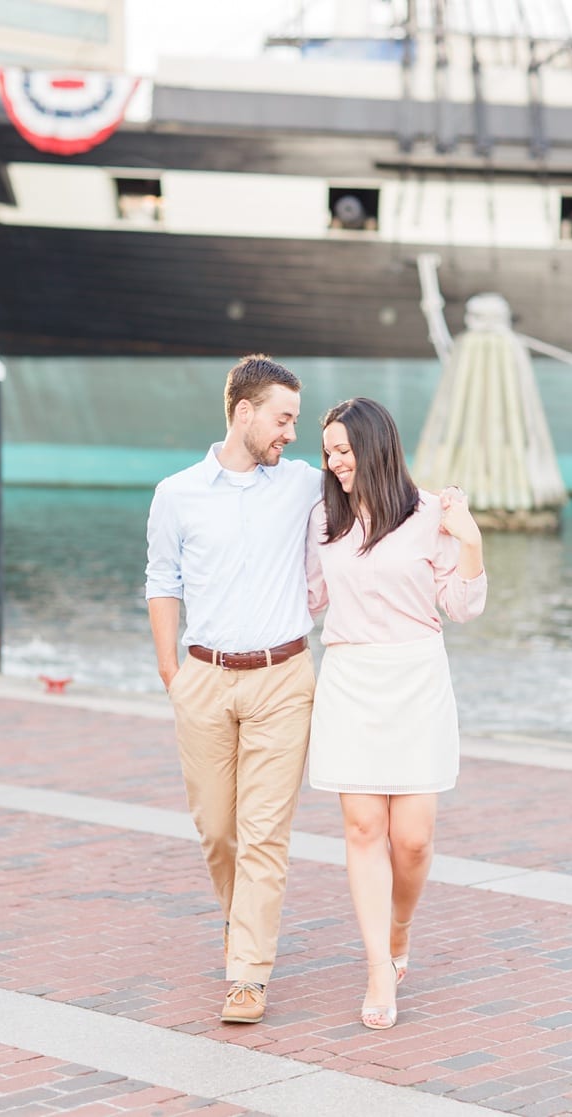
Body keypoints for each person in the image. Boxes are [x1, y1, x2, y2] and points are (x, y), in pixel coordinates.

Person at [146, 354, 324, 1025]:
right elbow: (162, 580)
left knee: (263, 835)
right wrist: (172, 672)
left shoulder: (304, 482)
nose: (291, 433)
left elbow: (367, 487)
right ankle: (239, 922)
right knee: (217, 830)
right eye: (283, 419)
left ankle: (247, 972)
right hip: (205, 679)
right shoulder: (177, 493)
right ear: (244, 413)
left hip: (285, 678)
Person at [305, 397, 486, 1030]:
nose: (333, 463)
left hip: (416, 678)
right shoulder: (323, 520)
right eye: (327, 452)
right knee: (362, 829)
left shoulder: (432, 513)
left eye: (343, 451)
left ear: (377, 448)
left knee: (412, 840)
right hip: (350, 677)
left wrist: (471, 542)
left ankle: (400, 927)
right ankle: (379, 966)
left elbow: (461, 606)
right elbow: (308, 598)